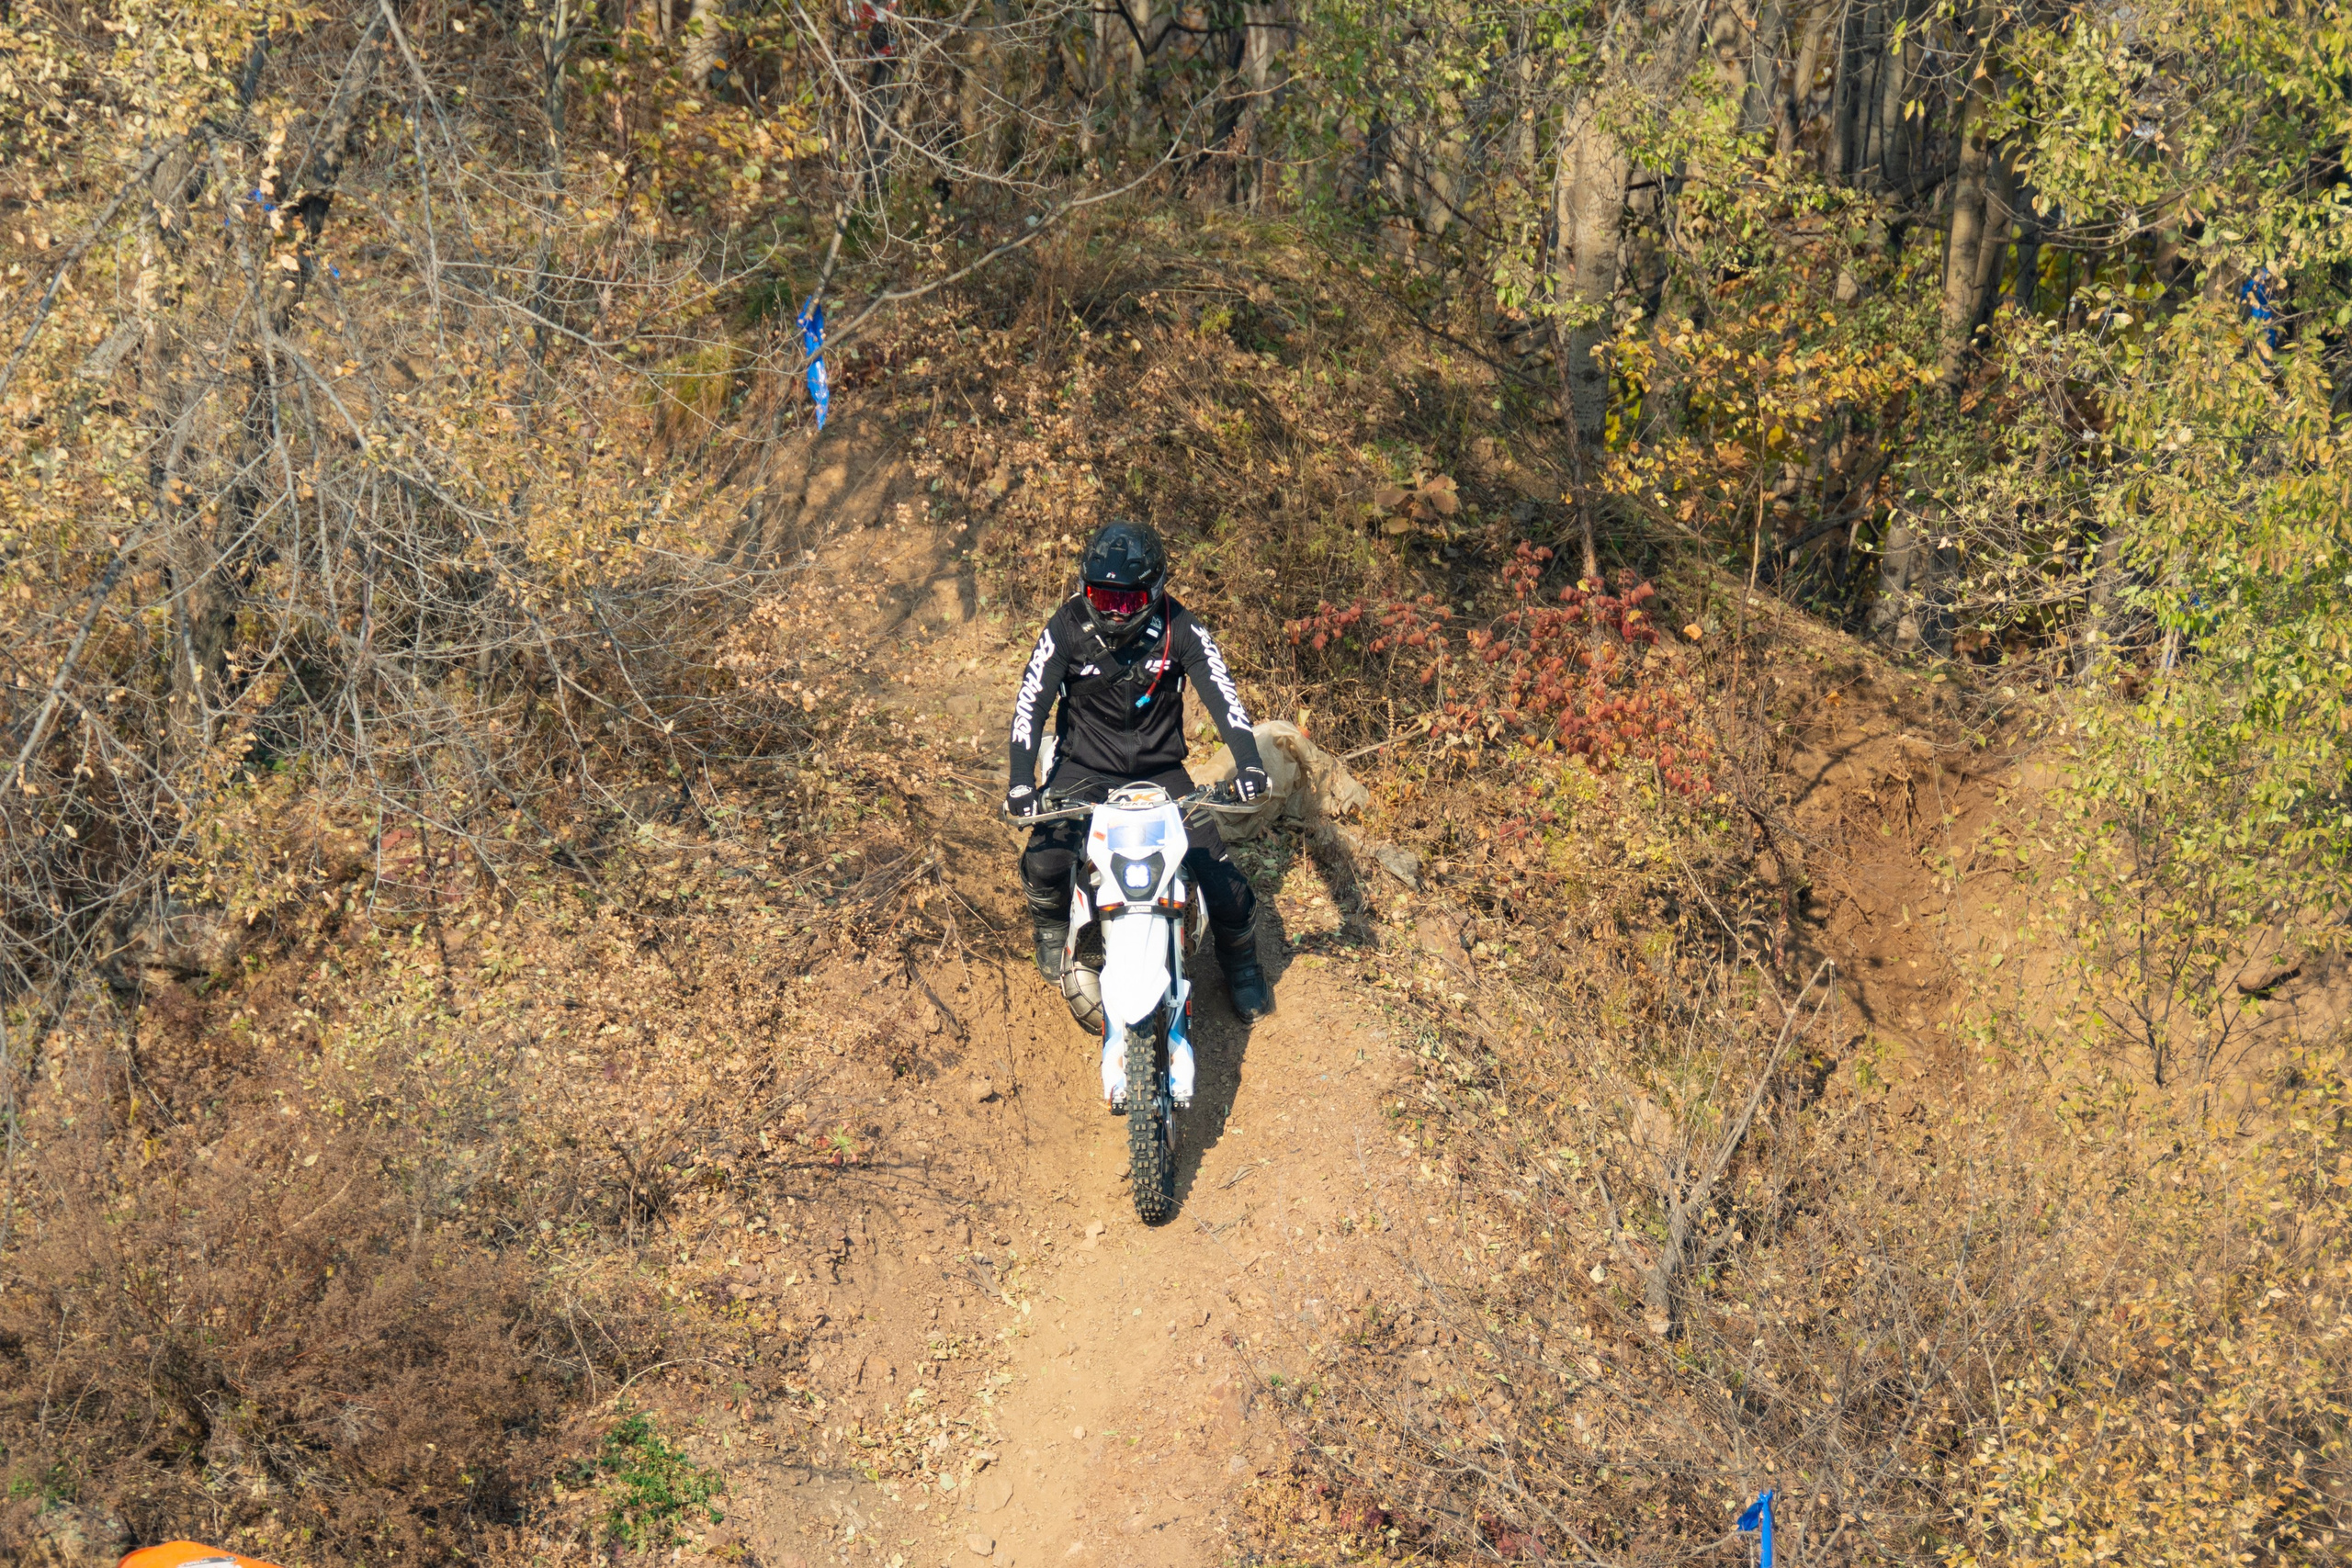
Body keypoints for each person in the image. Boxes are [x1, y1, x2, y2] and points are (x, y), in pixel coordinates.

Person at [1005, 519, 1274, 1022]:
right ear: (1083, 588)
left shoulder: (1182, 627)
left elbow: (1225, 699)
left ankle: (1241, 966)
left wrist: (1251, 766)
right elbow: (1029, 704)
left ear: (1153, 592)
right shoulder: (1065, 626)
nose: (1113, 611)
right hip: (1082, 770)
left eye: (1126, 602)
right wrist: (1022, 782)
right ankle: (1052, 928)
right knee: (1045, 861)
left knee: (1227, 889)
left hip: (1162, 776)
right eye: (1100, 597)